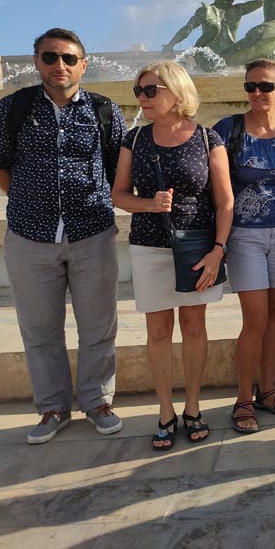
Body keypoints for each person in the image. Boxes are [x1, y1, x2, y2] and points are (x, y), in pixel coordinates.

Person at [0, 28, 128, 444]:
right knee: (40, 330)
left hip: (92, 233)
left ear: (84, 64)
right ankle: (52, 408)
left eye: (68, 58)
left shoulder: (104, 110)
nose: (59, 66)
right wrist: (33, 201)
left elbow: (117, 169)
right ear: (37, 63)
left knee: (99, 326)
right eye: (50, 57)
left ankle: (98, 402)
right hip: (30, 237)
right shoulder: (13, 108)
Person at [112, 61, 233, 451]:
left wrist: (218, 252)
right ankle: (165, 411)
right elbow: (118, 195)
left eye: (151, 90)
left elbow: (225, 202)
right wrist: (149, 204)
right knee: (158, 331)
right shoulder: (134, 139)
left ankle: (193, 406)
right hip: (149, 246)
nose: (143, 98)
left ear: (177, 92)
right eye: (139, 91)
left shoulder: (208, 139)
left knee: (194, 327)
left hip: (197, 247)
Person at [212, 58, 275, 434]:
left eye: (265, 86)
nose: (257, 93)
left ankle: (267, 390)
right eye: (250, 86)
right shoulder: (228, 130)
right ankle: (243, 399)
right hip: (244, 234)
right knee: (255, 319)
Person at [162, 0, 263, 71]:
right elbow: (259, 2)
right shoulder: (237, 10)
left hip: (208, 59)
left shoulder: (205, 10)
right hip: (230, 58)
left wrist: (171, 44)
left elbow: (188, 28)